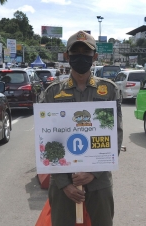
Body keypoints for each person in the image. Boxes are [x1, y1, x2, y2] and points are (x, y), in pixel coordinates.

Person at [39, 30, 123, 226]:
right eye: (75, 52)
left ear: (94, 57)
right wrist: (64, 183)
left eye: (86, 52)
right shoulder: (53, 93)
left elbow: (115, 137)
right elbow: (47, 140)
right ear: (67, 56)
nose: (80, 56)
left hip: (99, 181)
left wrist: (93, 173)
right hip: (62, 183)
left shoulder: (109, 91)